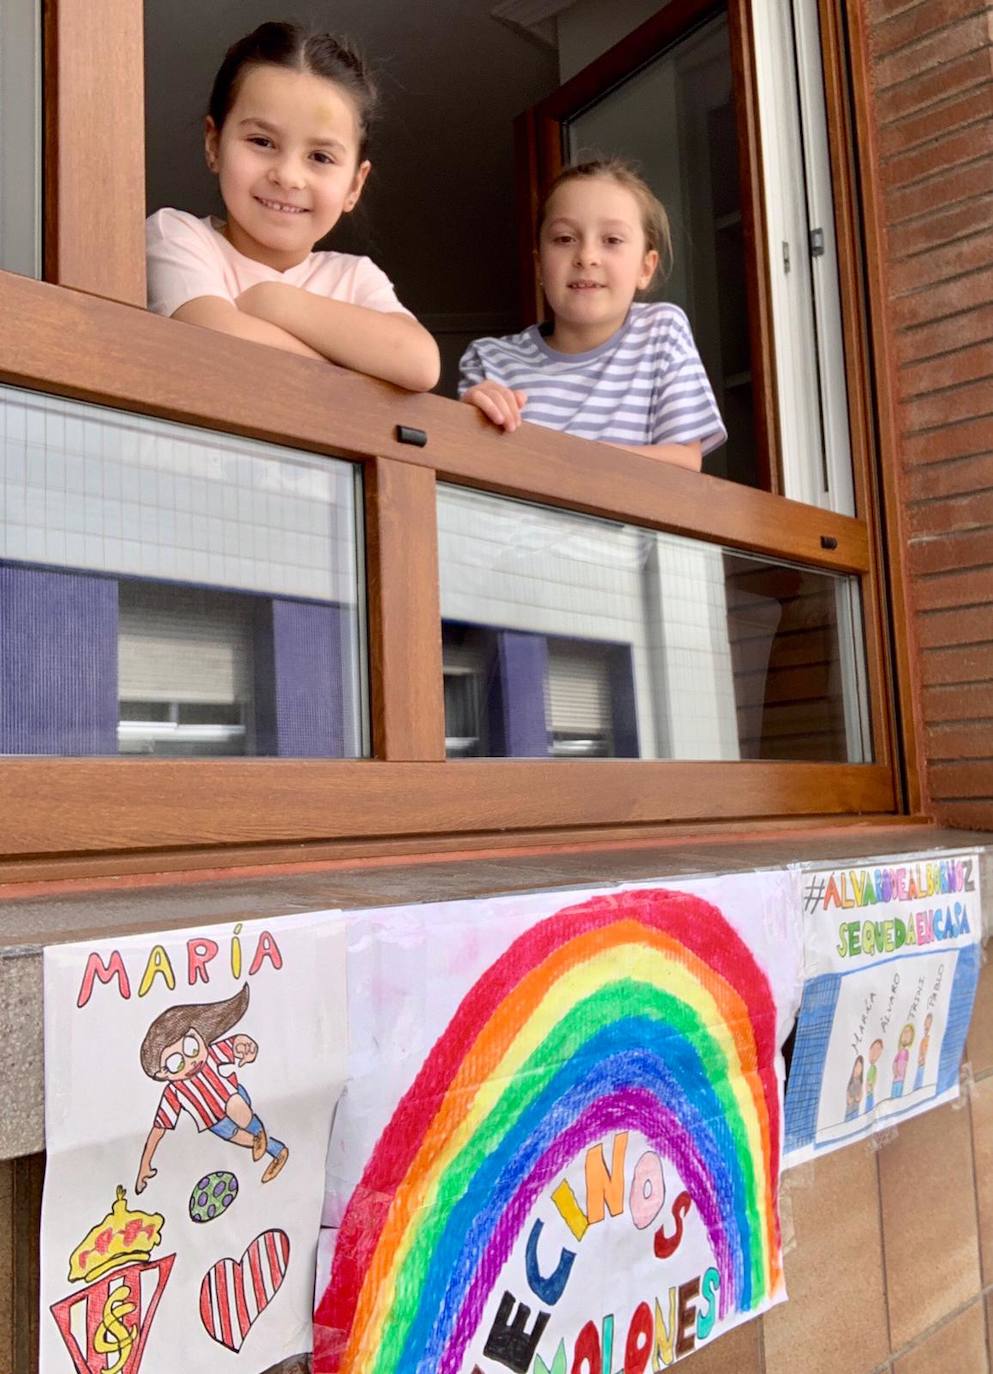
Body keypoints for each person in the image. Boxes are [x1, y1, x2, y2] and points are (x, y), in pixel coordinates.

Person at [146, 22, 439, 392]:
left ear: (354, 184)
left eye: (320, 156)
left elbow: (420, 363)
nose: (288, 177)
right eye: (262, 141)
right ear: (213, 144)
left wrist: (274, 301)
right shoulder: (175, 235)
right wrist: (358, 378)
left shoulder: (353, 277)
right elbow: (219, 342)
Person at [459, 158, 726, 469]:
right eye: (564, 239)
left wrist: (574, 461)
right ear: (539, 266)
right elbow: (469, 475)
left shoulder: (661, 332)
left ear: (646, 267)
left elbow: (683, 462)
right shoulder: (489, 359)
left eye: (612, 240)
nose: (586, 257)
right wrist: (466, 422)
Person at [135, 985, 288, 1192]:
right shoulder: (174, 1092)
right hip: (214, 1121)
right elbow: (158, 1128)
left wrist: (248, 1049)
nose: (191, 1061)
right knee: (234, 1135)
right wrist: (145, 1162)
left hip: (233, 1099)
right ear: (163, 1073)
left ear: (200, 1035)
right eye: (175, 1062)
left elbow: (240, 1043)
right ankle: (277, 1152)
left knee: (235, 1107)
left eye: (191, 1047)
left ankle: (259, 1131)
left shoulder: (213, 1054)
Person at [891, 1022, 915, 1099]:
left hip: (902, 1080)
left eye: (909, 1034)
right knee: (895, 1096)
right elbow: (894, 1063)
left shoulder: (906, 1052)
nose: (906, 1036)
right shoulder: (900, 1052)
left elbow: (906, 1065)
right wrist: (896, 1072)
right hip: (897, 1080)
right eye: (905, 1033)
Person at [865, 1037, 883, 1111]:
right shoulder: (868, 1066)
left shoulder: (874, 1068)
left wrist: (870, 1086)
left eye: (878, 1050)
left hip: (869, 1093)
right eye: (874, 1049)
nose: (875, 1053)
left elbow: (873, 1082)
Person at [845, 1056, 864, 1121]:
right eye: (857, 1067)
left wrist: (858, 1098)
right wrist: (849, 1099)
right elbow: (847, 1091)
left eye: (860, 1067)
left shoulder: (859, 1081)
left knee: (854, 1119)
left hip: (856, 1105)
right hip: (850, 1106)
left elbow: (861, 1093)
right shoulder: (851, 1080)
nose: (858, 1069)